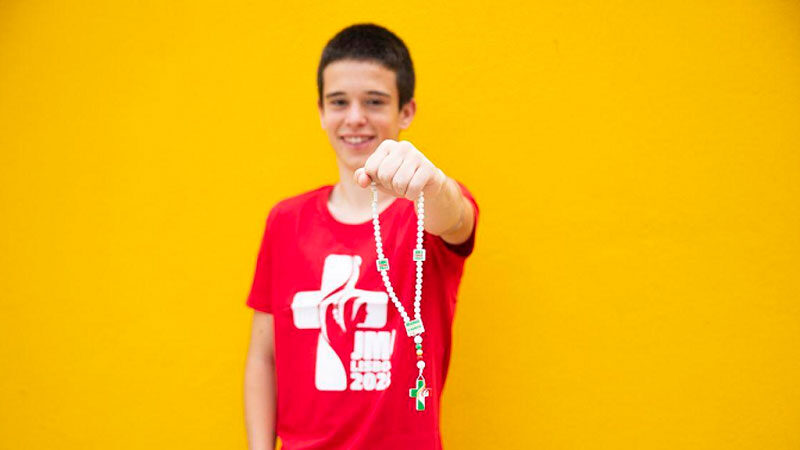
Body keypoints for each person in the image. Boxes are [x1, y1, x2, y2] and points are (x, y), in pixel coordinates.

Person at [243, 23, 479, 450]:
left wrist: (432, 184)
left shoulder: (426, 210)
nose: (355, 118)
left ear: (406, 111)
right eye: (339, 102)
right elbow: (264, 355)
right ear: (320, 111)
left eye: (374, 101)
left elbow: (456, 218)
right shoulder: (285, 221)